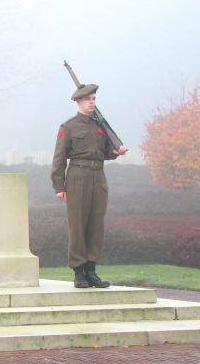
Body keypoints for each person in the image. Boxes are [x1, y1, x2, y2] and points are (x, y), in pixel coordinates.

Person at [51, 83, 128, 289]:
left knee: (96, 225)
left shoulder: (100, 126)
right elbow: (59, 159)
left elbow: (104, 153)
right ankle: (79, 272)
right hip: (78, 176)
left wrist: (116, 152)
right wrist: (59, 186)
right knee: (78, 225)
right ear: (78, 101)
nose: (92, 102)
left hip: (98, 177)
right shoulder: (68, 127)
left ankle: (91, 270)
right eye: (88, 99)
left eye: (94, 98)